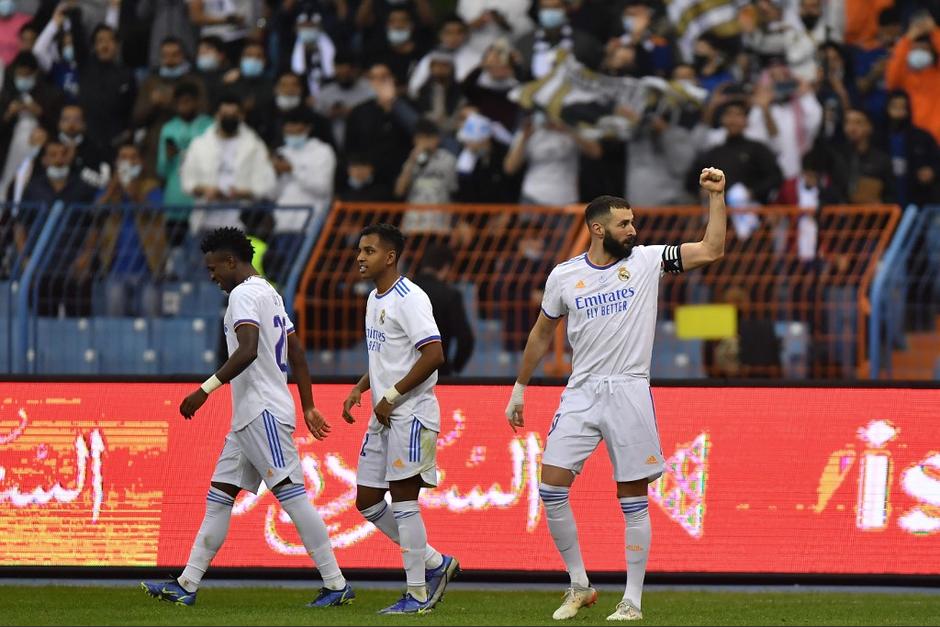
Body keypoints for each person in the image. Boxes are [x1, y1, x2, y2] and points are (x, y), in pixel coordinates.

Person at [504, 170, 728, 622]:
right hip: (581, 390)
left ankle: (632, 600)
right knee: (550, 488)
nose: (634, 230)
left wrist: (716, 198)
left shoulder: (647, 261)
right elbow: (542, 331)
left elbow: (711, 249)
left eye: (634, 222)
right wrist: (520, 387)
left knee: (631, 499)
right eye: (625, 223)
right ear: (598, 227)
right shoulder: (564, 276)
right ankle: (580, 585)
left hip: (628, 388)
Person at [140, 227, 355, 609]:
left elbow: (249, 349)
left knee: (293, 496)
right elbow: (298, 351)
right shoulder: (269, 291)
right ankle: (186, 584)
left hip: (263, 413)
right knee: (219, 497)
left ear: (230, 262)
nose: (211, 276)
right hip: (250, 417)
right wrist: (307, 405)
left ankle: (336, 583)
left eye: (213, 268)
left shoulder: (242, 294)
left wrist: (204, 390)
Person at [341, 223, 459, 614]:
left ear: (389, 257)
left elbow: (433, 354)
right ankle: (435, 563)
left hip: (410, 413)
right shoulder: (375, 298)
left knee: (405, 501)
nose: (360, 257)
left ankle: (417, 595)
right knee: (368, 500)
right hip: (384, 413)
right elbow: (389, 355)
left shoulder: (409, 298)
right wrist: (362, 386)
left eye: (369, 251)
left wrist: (391, 395)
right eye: (360, 250)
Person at [413, 243, 475, 376]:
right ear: (446, 267)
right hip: (437, 373)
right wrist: (454, 367)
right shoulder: (450, 295)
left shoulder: (402, 291)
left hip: (401, 374)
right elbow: (466, 339)